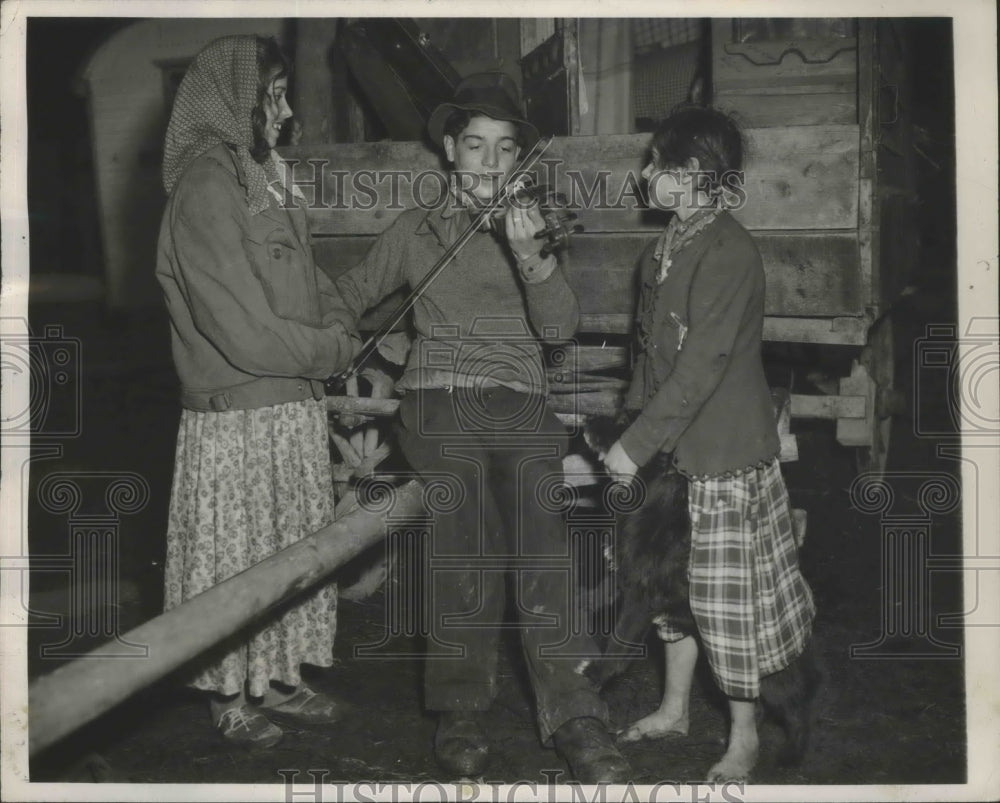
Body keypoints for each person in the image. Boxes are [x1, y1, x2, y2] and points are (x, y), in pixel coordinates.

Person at [334, 73, 630, 783]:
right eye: (475, 145)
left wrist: (530, 257)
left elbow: (559, 327)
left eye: (503, 148)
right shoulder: (418, 228)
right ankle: (461, 705)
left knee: (542, 539)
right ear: (449, 149)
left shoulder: (532, 226)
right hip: (438, 397)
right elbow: (347, 296)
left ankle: (575, 712)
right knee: (461, 527)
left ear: (518, 158)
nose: (489, 163)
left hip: (521, 397)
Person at [600, 105, 816, 781]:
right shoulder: (664, 246)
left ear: (690, 173)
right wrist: (635, 431)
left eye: (656, 164)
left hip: (721, 454)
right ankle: (674, 707)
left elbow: (701, 368)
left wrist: (631, 444)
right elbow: (650, 357)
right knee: (671, 590)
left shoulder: (728, 251)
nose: (646, 175)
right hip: (673, 454)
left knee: (727, 602)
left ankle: (744, 733)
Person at [156, 35, 359, 747]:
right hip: (237, 418)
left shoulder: (265, 173)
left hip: (290, 410)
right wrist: (332, 348)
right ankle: (227, 693)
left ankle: (274, 677)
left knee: (287, 553)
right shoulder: (206, 184)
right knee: (237, 559)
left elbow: (315, 279)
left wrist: (339, 323)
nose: (287, 110)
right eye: (273, 95)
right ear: (233, 99)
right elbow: (241, 331)